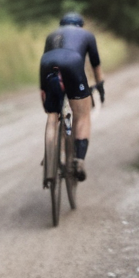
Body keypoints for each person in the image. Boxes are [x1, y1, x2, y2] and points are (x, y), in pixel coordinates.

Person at [39, 12, 104, 180]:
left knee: (52, 115)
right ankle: (79, 160)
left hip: (46, 63)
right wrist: (100, 88)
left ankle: (50, 158)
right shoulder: (87, 35)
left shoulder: (51, 35)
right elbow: (96, 65)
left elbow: (49, 65)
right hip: (72, 63)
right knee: (83, 115)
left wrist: (46, 99)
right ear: (80, 25)